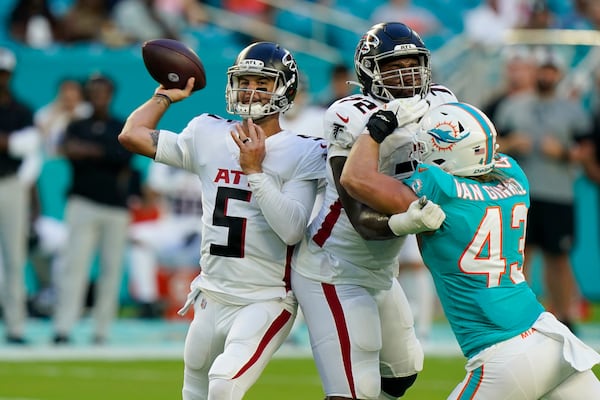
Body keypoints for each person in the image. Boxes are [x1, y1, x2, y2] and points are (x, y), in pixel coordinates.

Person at [341, 101, 600, 399]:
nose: (421, 152)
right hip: (551, 338)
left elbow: (354, 178)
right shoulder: (515, 176)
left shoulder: (441, 191)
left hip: (503, 353)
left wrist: (374, 131)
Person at [118, 41, 326, 399]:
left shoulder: (303, 150)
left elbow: (292, 229)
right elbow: (131, 135)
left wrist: (255, 173)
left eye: (263, 83)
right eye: (246, 81)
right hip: (211, 293)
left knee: (223, 384)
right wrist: (164, 97)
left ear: (286, 90)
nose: (251, 91)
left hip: (265, 298)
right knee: (194, 392)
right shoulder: (208, 132)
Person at [290, 22, 454, 400]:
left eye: (413, 63)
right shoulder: (350, 114)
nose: (407, 73)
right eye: (393, 65)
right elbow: (362, 220)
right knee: (354, 389)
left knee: (401, 374)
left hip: (381, 269)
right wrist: (409, 220)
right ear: (368, 70)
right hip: (333, 268)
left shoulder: (441, 102)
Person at [494, 50, 591, 332]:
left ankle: (564, 316)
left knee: (558, 258)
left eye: (551, 70)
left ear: (559, 74)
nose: (546, 75)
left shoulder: (572, 109)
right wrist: (512, 143)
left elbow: (586, 150)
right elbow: (493, 143)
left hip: (558, 193)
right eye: (542, 70)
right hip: (520, 193)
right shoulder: (513, 106)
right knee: (520, 256)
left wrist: (562, 152)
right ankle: (518, 316)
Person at [52, 74, 134, 345]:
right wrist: (102, 152)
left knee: (111, 269)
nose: (99, 96)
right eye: (94, 92)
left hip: (115, 207)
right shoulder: (76, 125)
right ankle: (63, 327)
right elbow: (67, 150)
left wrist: (90, 151)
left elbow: (123, 156)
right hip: (83, 202)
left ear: (110, 95)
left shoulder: (120, 125)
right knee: (74, 266)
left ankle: (102, 330)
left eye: (103, 92)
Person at [127, 161, 203, 318]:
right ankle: (147, 302)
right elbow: (150, 194)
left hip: (206, 230)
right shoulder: (168, 160)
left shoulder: (219, 156)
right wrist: (177, 177)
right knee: (137, 236)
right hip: (173, 228)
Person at [0, 47, 39, 345]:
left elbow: (25, 146)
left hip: (10, 183)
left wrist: (9, 142)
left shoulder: (21, 109)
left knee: (15, 256)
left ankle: (15, 326)